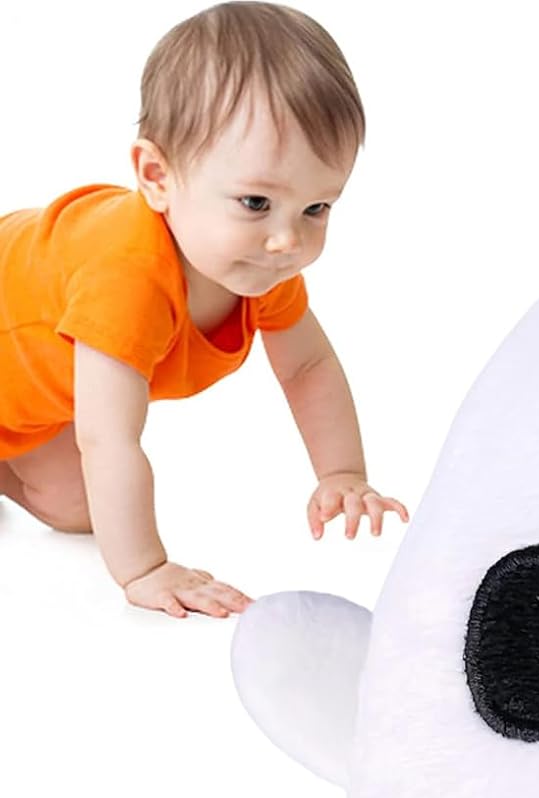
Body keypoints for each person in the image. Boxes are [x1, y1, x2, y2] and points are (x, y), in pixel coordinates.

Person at [0, 2, 406, 618]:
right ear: (157, 175)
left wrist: (342, 473)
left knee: (78, 507)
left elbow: (308, 368)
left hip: (30, 394)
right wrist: (144, 569)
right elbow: (108, 437)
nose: (287, 240)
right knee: (103, 487)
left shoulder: (258, 265)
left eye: (316, 209)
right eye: (255, 202)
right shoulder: (125, 278)